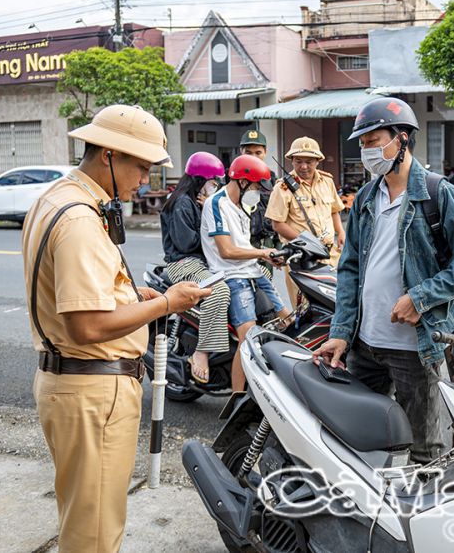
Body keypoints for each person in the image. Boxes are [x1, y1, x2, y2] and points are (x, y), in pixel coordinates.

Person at [22, 104, 210, 552]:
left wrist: (132, 298)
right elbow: (87, 326)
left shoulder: (58, 198)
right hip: (93, 391)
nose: (144, 179)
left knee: (87, 518)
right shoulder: (80, 220)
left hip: (76, 385)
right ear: (107, 154)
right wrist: (167, 301)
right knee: (95, 535)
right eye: (141, 166)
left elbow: (79, 295)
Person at [312, 97, 454, 463]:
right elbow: (350, 268)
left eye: (374, 141)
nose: (367, 151)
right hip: (365, 344)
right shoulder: (365, 197)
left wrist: (420, 298)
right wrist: (341, 333)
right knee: (357, 439)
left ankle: (421, 514)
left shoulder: (439, 194)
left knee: (425, 449)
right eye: (362, 144)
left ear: (403, 139)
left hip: (416, 348)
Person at [201, 154, 291, 392]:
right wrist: (261, 254)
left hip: (252, 269)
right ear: (241, 181)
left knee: (288, 320)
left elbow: (245, 244)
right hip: (231, 275)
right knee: (248, 338)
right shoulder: (216, 204)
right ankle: (237, 398)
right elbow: (227, 251)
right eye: (255, 186)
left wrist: (270, 255)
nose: (258, 192)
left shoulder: (243, 205)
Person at [159, 151, 232, 383]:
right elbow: (185, 243)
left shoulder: (200, 201)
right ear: (201, 180)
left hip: (205, 262)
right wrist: (205, 215)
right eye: (213, 182)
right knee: (218, 291)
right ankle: (201, 352)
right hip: (184, 263)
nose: (216, 186)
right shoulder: (183, 203)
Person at [265, 136, 346, 307]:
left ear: (317, 161)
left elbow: (334, 210)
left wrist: (341, 233)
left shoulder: (327, 181)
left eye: (309, 161)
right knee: (305, 308)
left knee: (336, 303)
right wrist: (310, 243)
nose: (303, 166)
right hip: (301, 257)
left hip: (331, 256)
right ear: (291, 161)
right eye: (298, 161)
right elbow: (277, 224)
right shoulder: (282, 188)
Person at [239, 128, 278, 280]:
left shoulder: (272, 179)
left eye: (258, 152)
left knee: (265, 292)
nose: (253, 157)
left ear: (265, 152)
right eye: (248, 152)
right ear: (241, 151)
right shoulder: (231, 178)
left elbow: (278, 214)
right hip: (239, 245)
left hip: (265, 243)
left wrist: (278, 247)